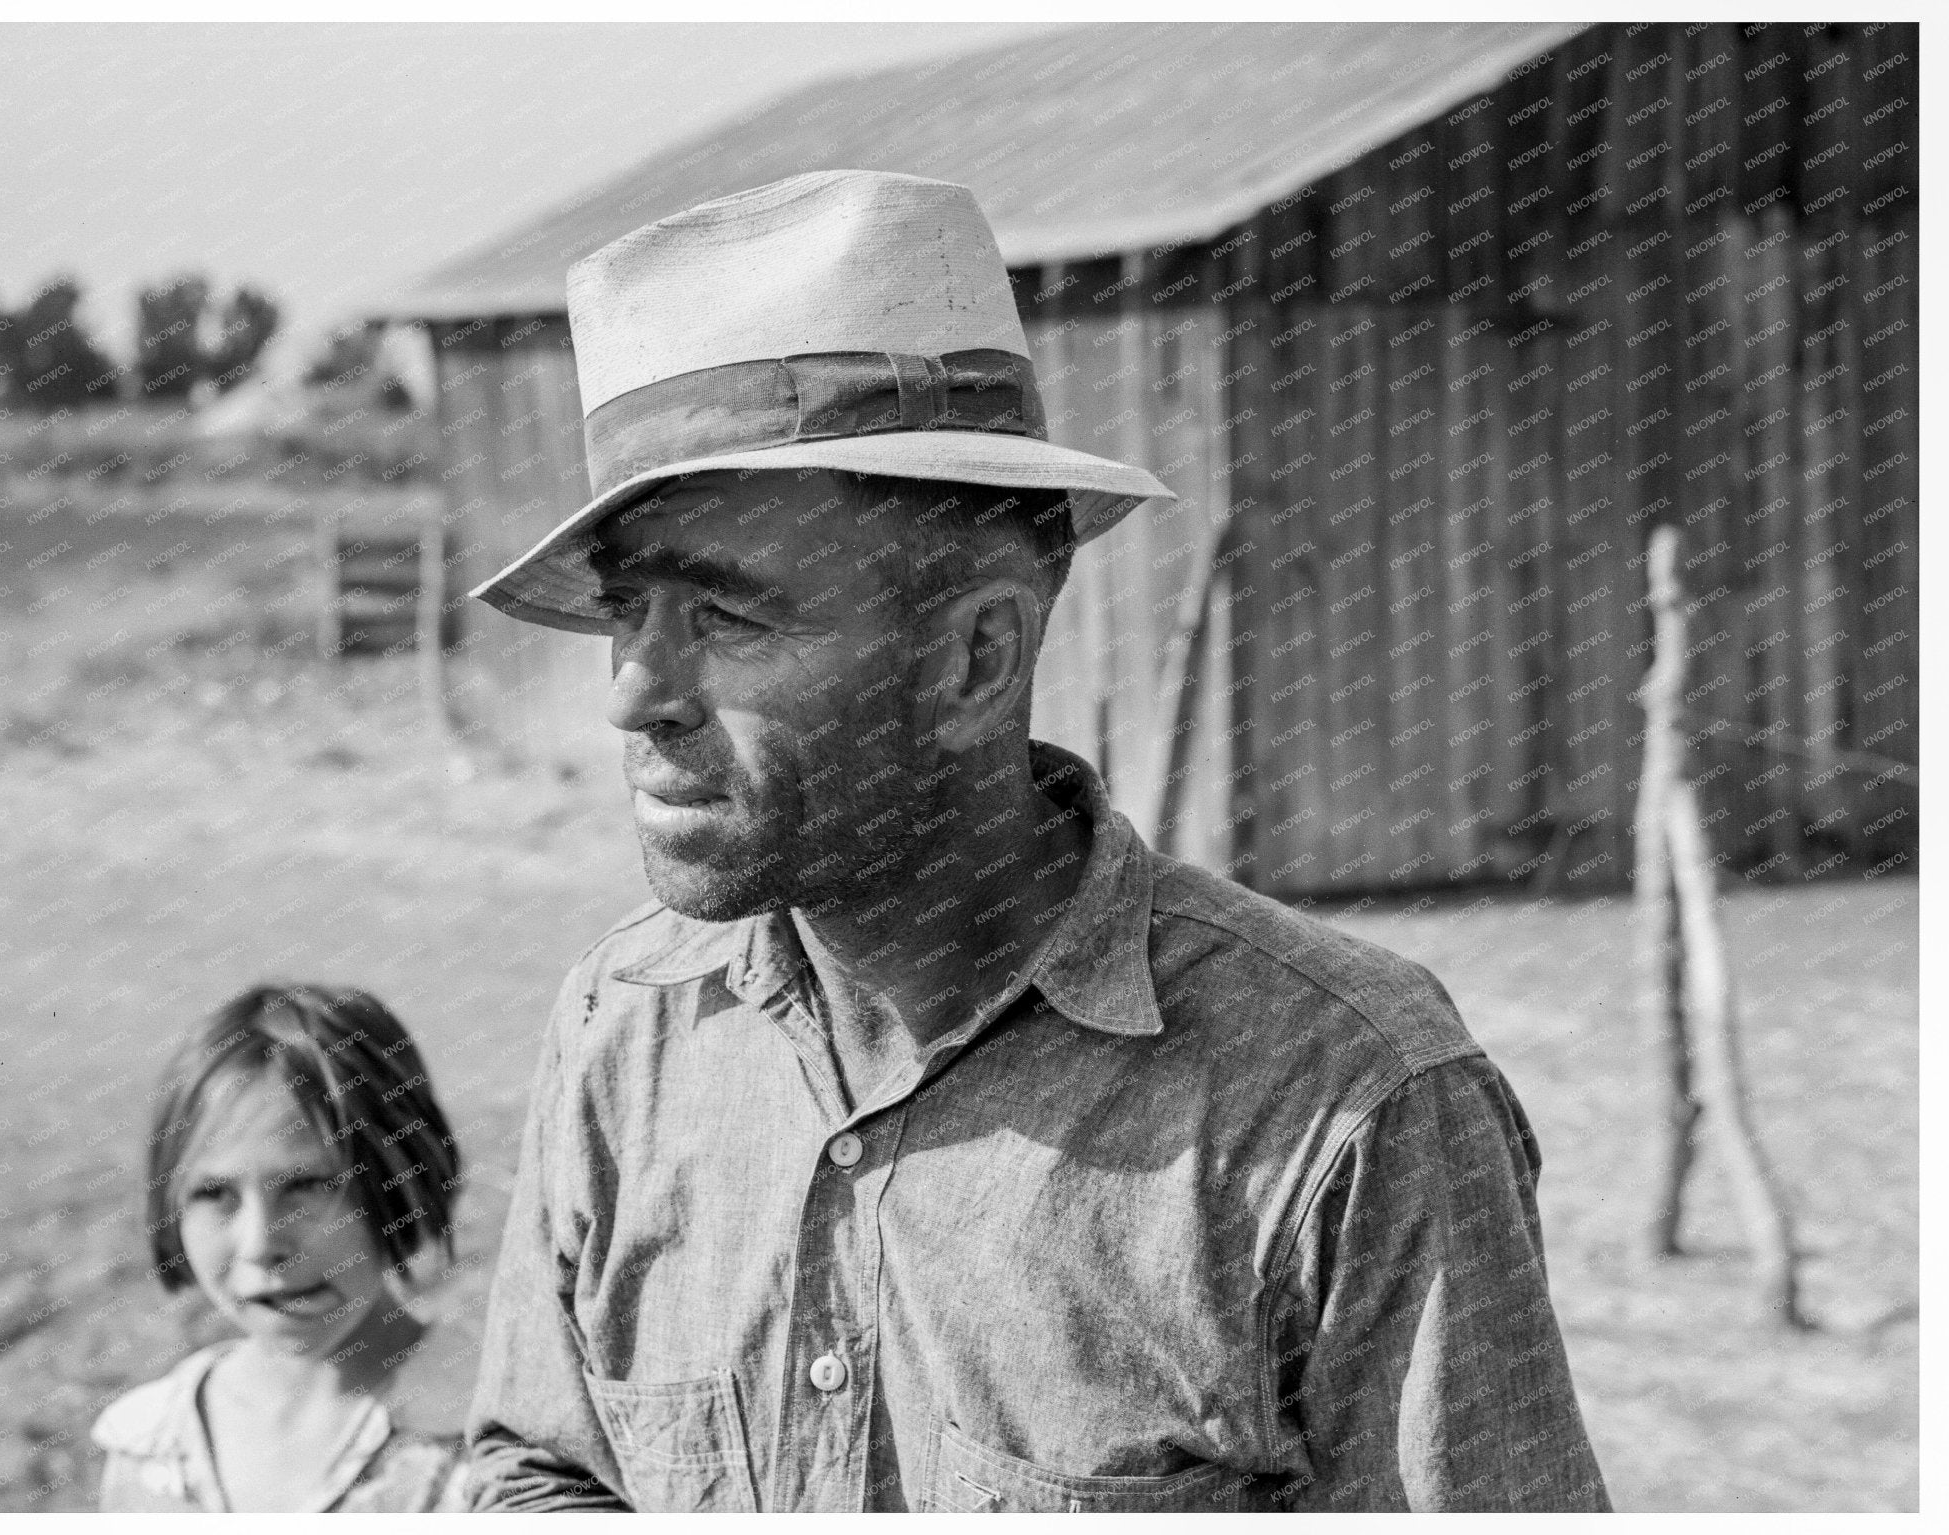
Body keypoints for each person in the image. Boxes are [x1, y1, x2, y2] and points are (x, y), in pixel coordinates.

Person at [462, 169, 1610, 1511]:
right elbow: (537, 1467)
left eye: (726, 619)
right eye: (627, 614)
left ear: (974, 657)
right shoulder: (626, 1032)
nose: (634, 694)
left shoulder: (1342, 1100)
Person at [91, 983, 469, 1512]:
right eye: (214, 1193)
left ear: (402, 1176)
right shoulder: (149, 1450)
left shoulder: (491, 1441)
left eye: (310, 1185)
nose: (261, 1244)